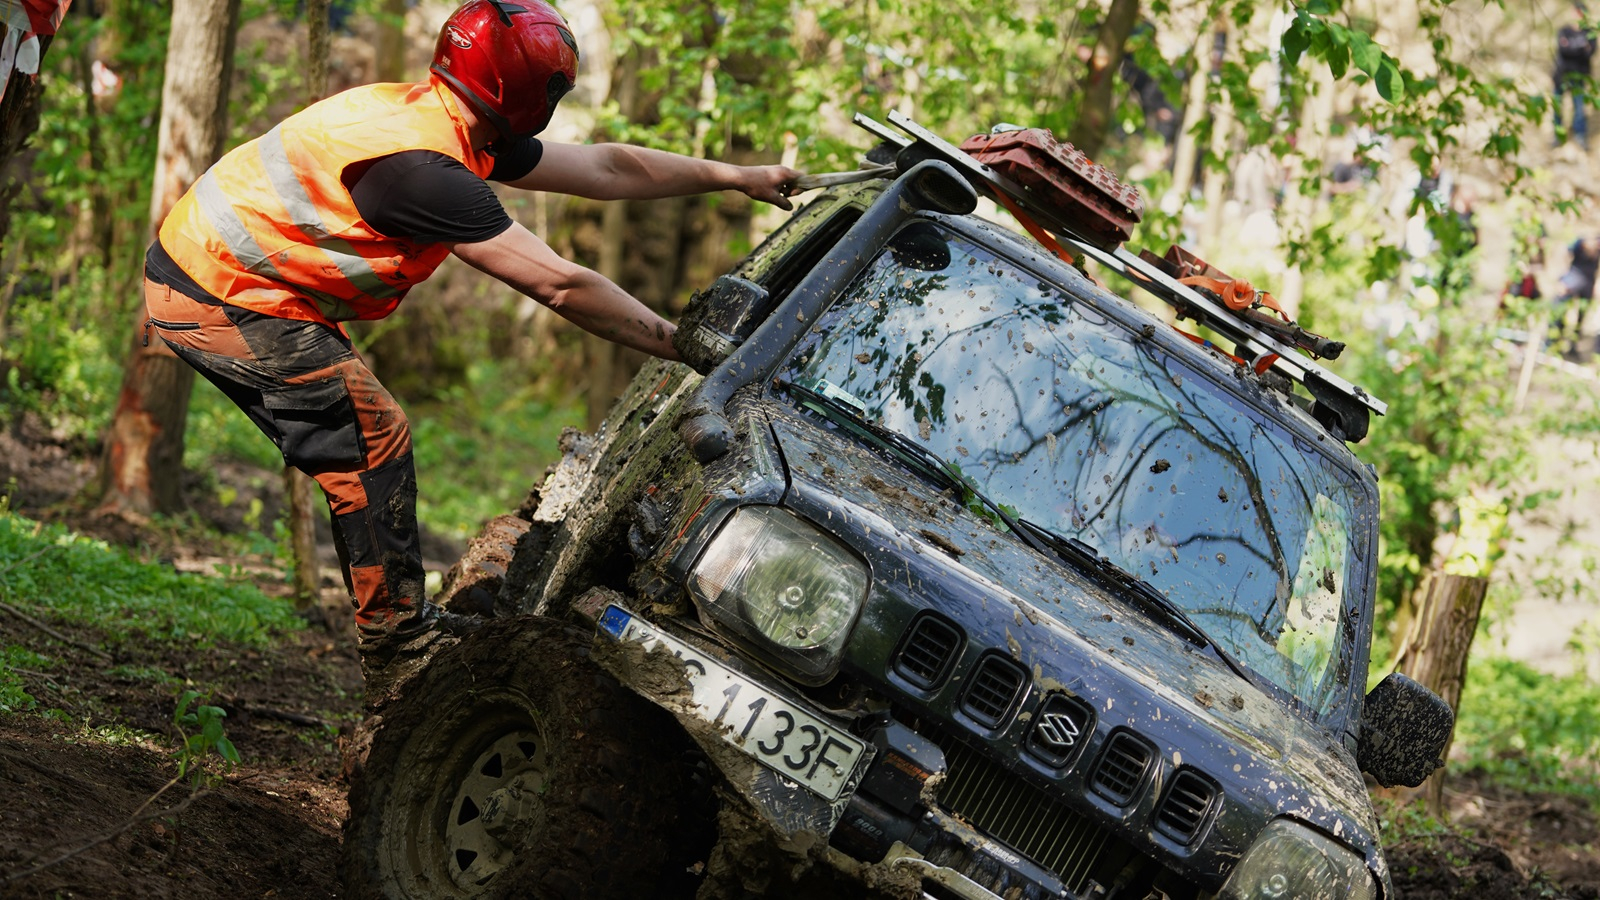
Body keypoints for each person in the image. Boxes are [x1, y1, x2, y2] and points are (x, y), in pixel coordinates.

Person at [141, 0, 800, 697]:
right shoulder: (423, 171)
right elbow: (561, 285)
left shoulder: (451, 121)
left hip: (238, 276)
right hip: (218, 289)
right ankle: (399, 647)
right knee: (370, 436)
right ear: (528, 93)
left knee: (365, 431)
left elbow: (607, 168)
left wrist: (738, 176)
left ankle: (403, 625)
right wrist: (684, 346)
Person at [1554, 2, 1596, 149]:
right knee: (1557, 105)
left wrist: (1572, 47)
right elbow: (1563, 50)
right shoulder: (1564, 31)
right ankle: (1558, 135)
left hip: (1580, 76)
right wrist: (1581, 47)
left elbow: (1590, 52)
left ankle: (1580, 136)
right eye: (1575, 12)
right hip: (1561, 76)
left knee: (1579, 107)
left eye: (1579, 13)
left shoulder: (1589, 32)